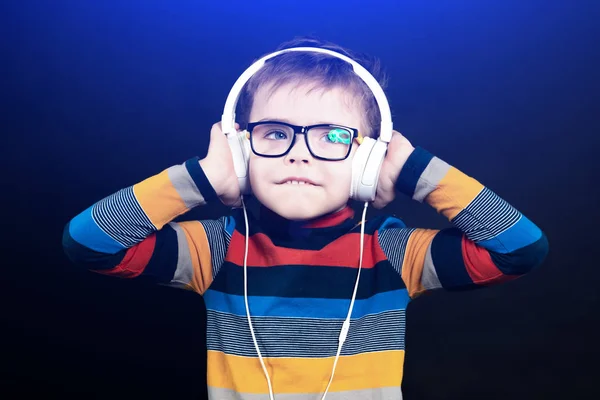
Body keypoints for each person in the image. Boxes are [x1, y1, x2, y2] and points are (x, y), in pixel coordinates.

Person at [62, 37, 549, 400]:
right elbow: (89, 244)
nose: (299, 155)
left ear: (368, 162)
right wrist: (203, 177)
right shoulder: (213, 250)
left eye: (332, 136)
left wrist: (415, 171)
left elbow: (520, 249)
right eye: (275, 133)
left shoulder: (393, 253)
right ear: (240, 147)